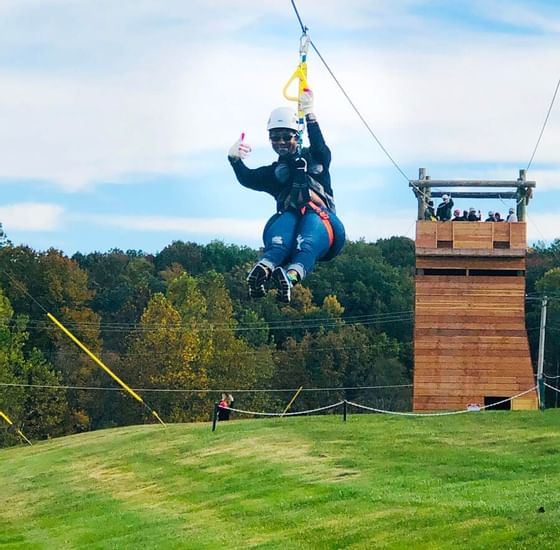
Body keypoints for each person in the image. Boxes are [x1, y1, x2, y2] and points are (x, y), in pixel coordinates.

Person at [228, 89, 345, 303]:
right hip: (290, 224)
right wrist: (234, 160)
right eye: (275, 137)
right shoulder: (275, 174)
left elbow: (320, 147)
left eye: (285, 137)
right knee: (283, 234)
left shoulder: (314, 159)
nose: (280, 142)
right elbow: (248, 178)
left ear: (296, 136)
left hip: (322, 223)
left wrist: (310, 115)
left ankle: (291, 276)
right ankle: (265, 267)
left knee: (307, 238)